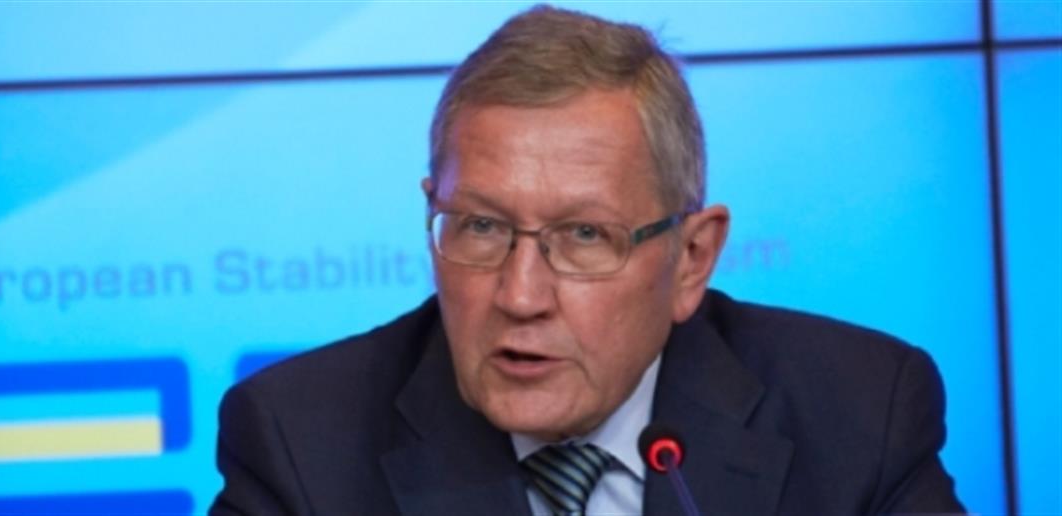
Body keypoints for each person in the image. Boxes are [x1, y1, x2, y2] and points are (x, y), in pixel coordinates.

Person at [211, 5, 965, 515]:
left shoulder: (859, 415)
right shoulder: (299, 447)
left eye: (583, 237)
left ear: (692, 258)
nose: (521, 295)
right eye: (480, 226)